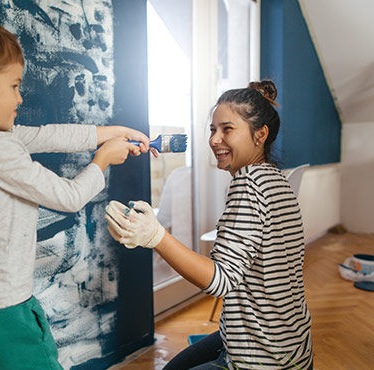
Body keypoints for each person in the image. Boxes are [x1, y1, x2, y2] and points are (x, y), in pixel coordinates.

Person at [0, 10, 151, 370]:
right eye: (14, 86)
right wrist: (103, 160)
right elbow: (69, 197)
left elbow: (45, 135)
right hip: (0, 312)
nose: (20, 98)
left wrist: (108, 131)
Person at [105, 80, 313, 370]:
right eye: (213, 130)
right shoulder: (275, 178)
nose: (215, 139)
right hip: (292, 344)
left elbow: (220, 281)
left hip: (263, 359)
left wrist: (155, 236)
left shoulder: (248, 185)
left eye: (227, 129)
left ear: (260, 135)